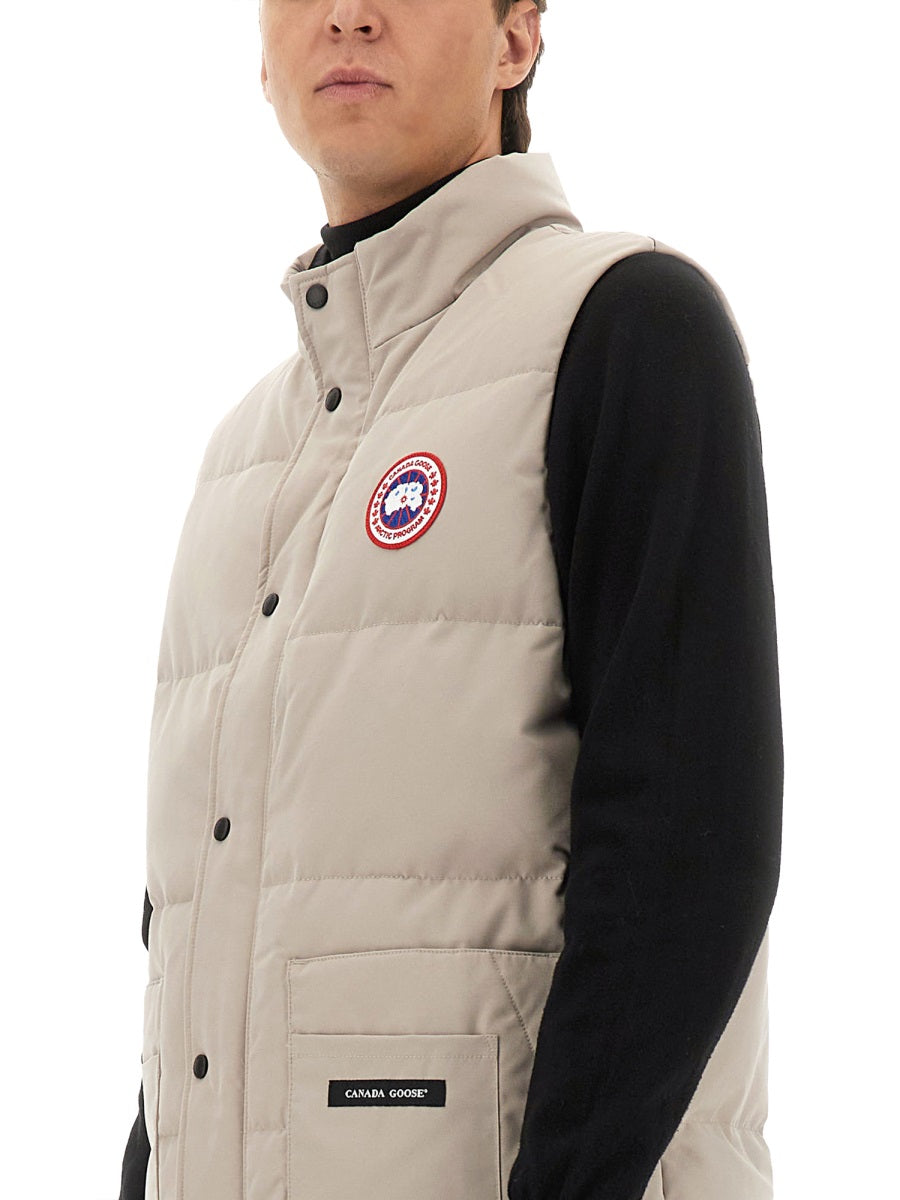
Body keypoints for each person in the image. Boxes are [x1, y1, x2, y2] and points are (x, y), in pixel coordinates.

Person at [118, 3, 783, 1199]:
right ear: (260, 55)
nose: (348, 13)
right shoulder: (239, 460)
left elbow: (689, 845)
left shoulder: (623, 326)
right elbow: (185, 940)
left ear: (515, 41)